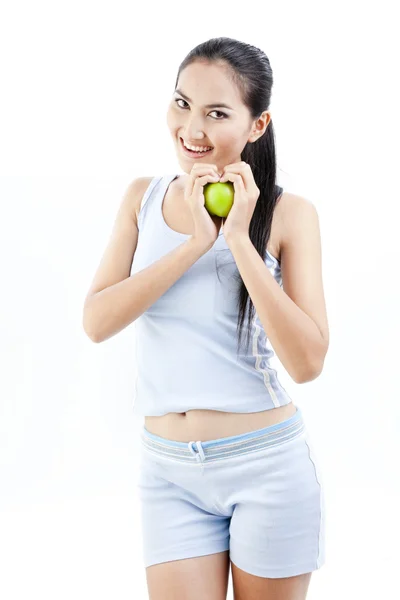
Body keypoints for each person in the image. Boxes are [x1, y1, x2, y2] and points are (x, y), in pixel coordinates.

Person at [83, 37, 329, 600]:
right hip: (167, 472)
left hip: (266, 465)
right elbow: (97, 322)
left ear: (257, 124)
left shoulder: (291, 215)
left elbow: (309, 361)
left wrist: (239, 239)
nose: (191, 128)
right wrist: (194, 243)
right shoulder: (141, 199)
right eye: (181, 103)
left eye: (217, 113)